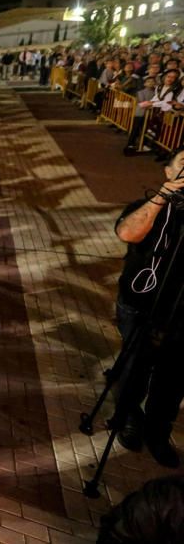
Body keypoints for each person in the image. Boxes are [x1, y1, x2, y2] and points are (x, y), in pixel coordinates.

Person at [111, 148, 184, 466]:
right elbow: (127, 232)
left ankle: (158, 429)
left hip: (180, 313)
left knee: (174, 374)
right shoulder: (150, 205)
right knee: (134, 367)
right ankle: (127, 415)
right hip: (141, 305)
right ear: (168, 172)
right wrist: (162, 198)